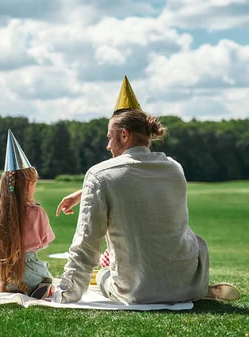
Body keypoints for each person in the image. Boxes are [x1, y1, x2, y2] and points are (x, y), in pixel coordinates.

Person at [52, 76, 239, 304]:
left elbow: (86, 245)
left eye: (110, 138)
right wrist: (85, 191)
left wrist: (64, 294)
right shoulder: (174, 169)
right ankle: (188, 287)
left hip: (138, 290)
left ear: (124, 135)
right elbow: (135, 181)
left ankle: (122, 278)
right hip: (188, 283)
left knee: (103, 274)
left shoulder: (99, 176)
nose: (108, 146)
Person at [0, 130, 55, 299]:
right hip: (32, 272)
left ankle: (10, 287)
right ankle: (39, 287)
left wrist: (8, 249)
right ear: (29, 185)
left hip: (4, 275)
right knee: (45, 276)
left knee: (2, 280)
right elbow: (44, 243)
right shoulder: (37, 213)